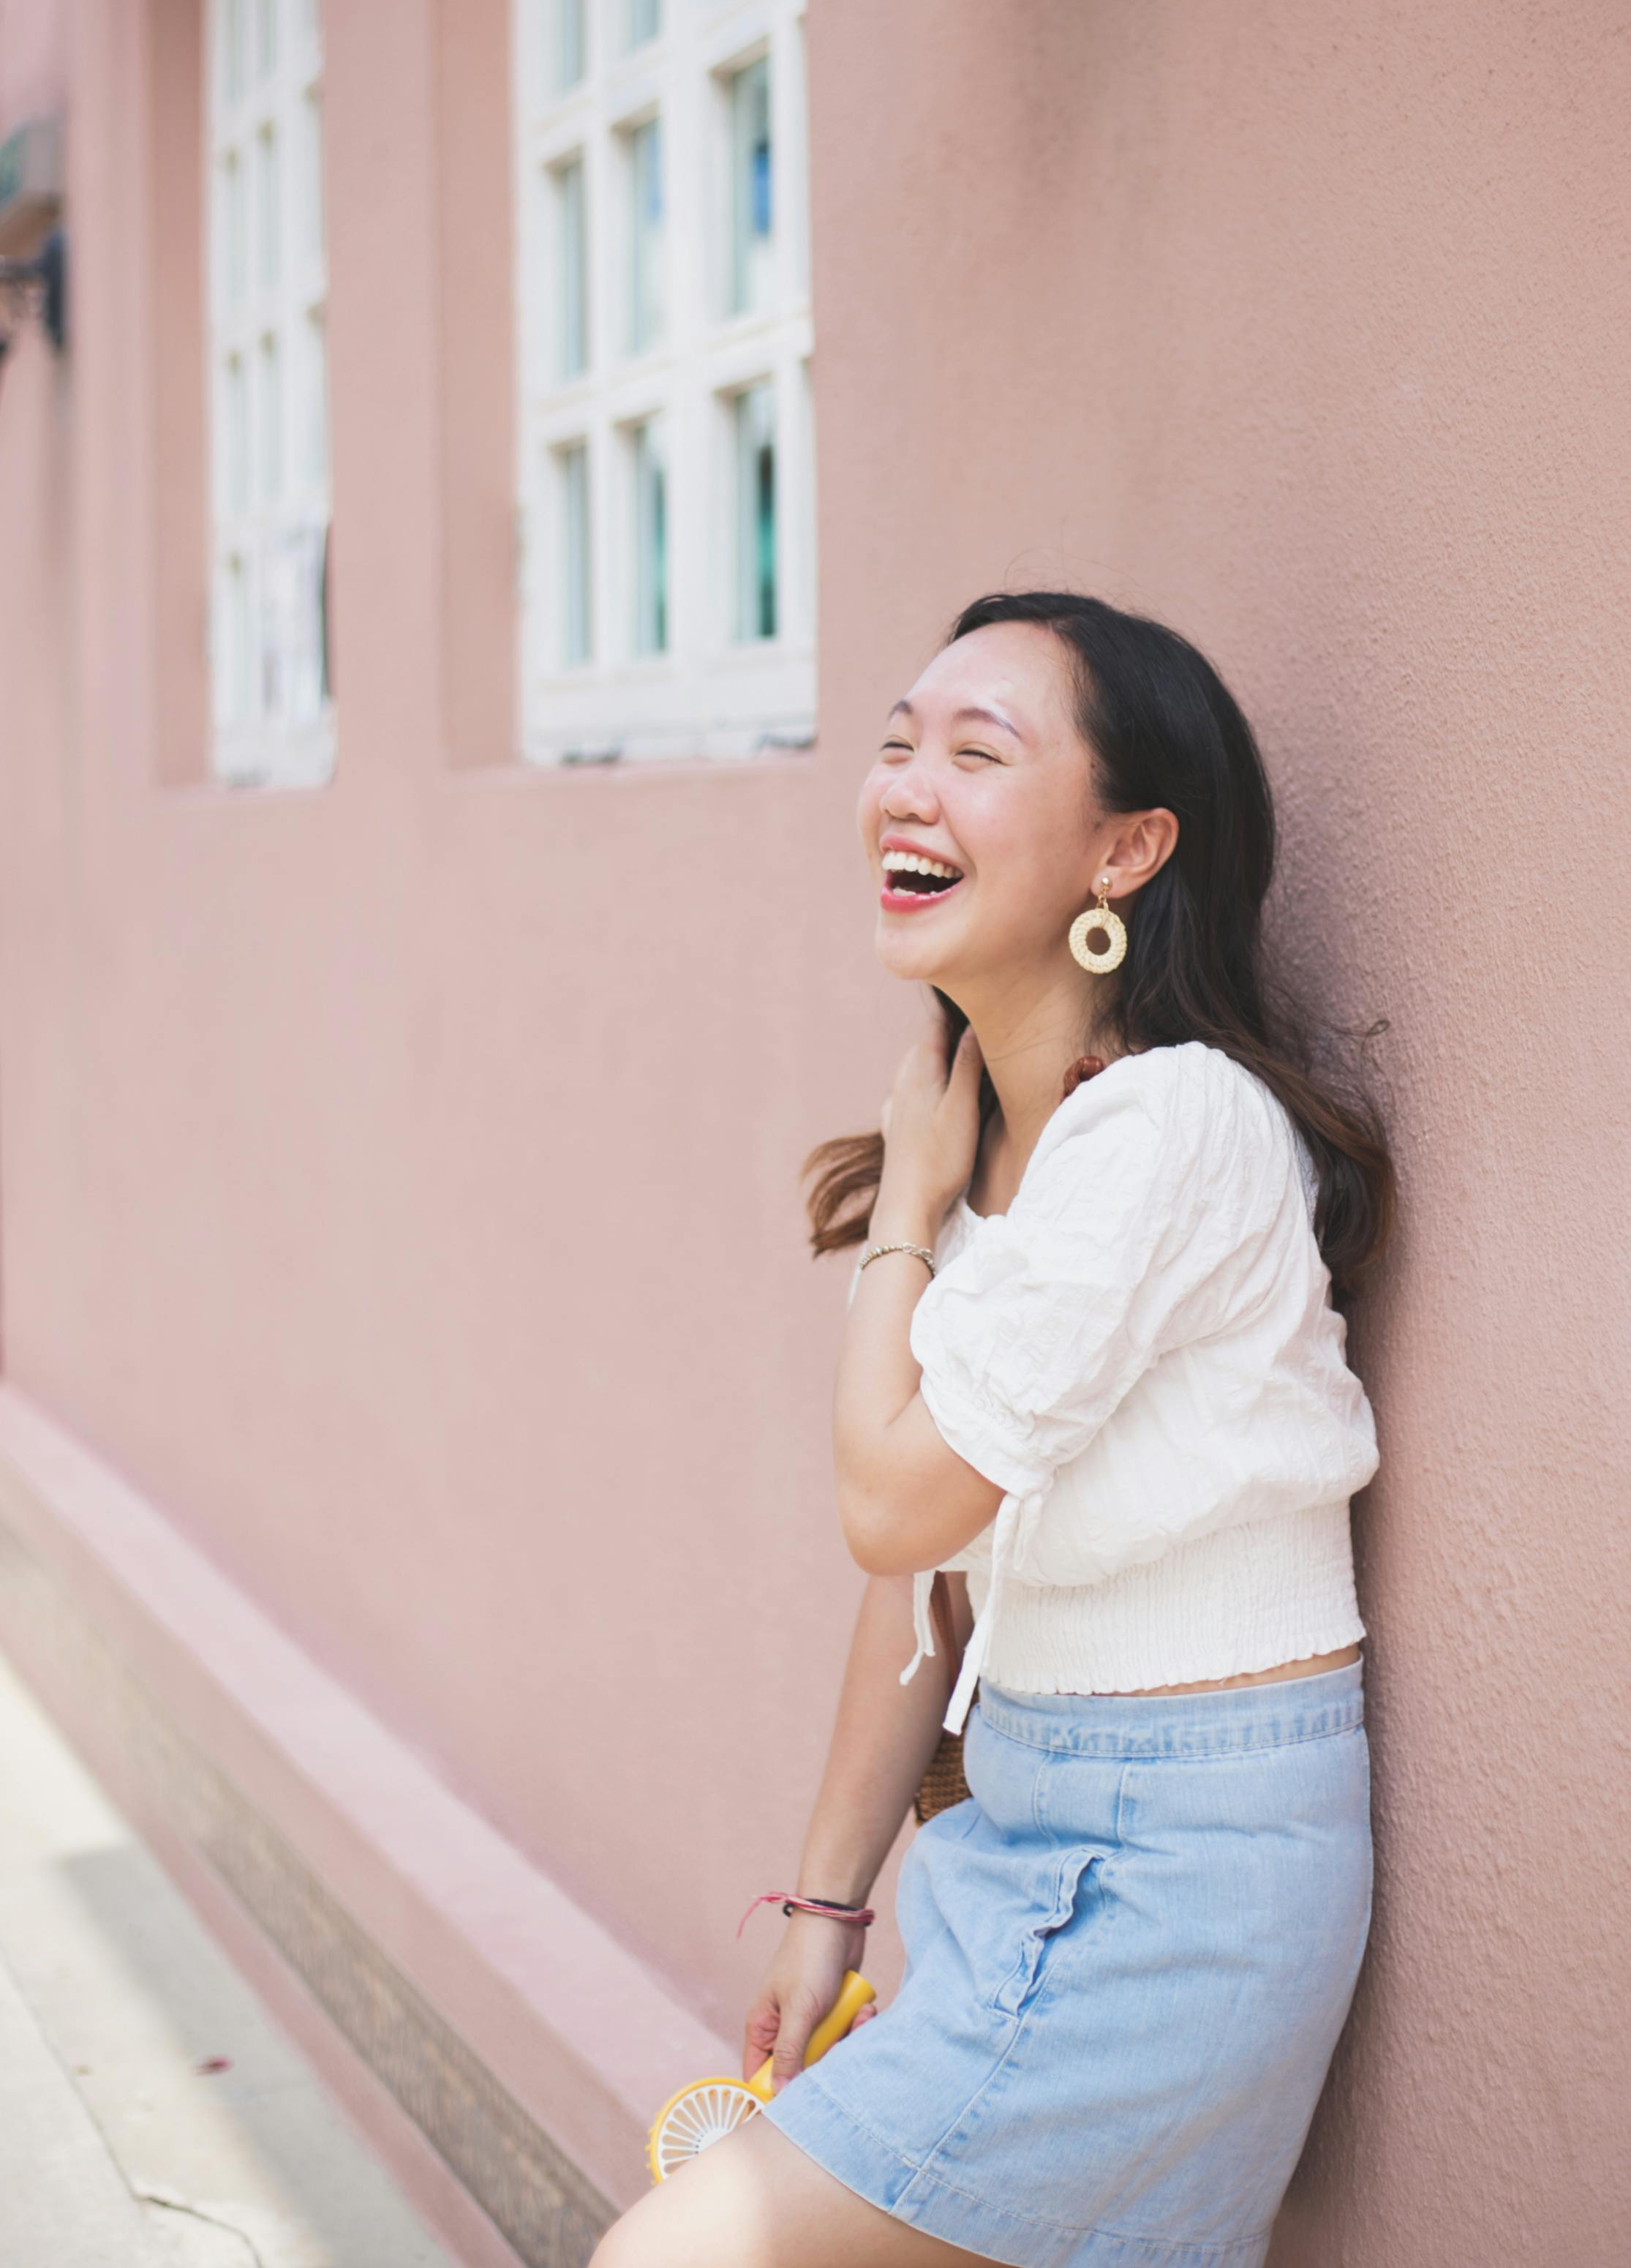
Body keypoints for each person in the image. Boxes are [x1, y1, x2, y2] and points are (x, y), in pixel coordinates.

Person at [592, 592, 1393, 2268]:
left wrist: (901, 1206)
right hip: (1020, 1837)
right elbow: (923, 1591)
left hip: (1165, 1877)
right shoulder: (1009, 1165)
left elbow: (888, 1506)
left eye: (975, 751)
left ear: (1127, 849)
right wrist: (823, 1906)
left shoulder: (1170, 1126)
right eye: (895, 743)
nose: (904, 785)